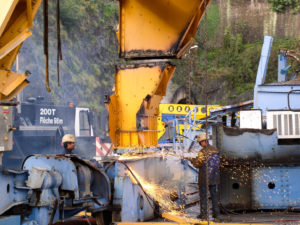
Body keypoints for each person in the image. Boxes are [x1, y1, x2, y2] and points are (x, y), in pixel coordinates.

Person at [188, 133, 221, 221]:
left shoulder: (202, 152)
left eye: (200, 142)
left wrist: (192, 160)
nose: (200, 144)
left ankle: (204, 215)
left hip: (205, 178)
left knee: (203, 196)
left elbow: (197, 164)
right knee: (214, 196)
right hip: (214, 177)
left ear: (203, 142)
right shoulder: (215, 149)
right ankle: (216, 214)